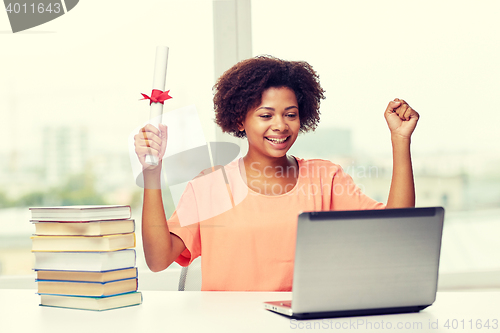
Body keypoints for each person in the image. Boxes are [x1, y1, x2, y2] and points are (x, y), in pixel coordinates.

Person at [134, 55, 419, 291]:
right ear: (239, 120)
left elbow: (395, 228)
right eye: (266, 115)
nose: (281, 125)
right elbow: (158, 259)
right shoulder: (211, 186)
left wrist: (400, 140)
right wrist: (152, 173)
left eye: (290, 114)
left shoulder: (325, 178)